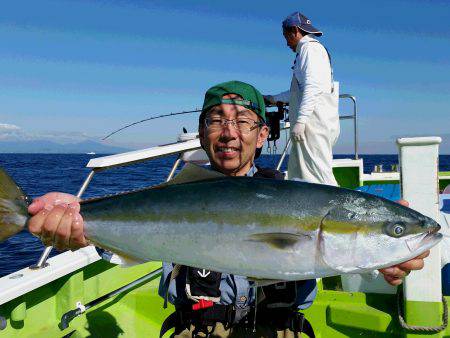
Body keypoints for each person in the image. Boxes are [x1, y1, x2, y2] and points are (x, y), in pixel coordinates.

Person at [28, 81, 429, 337]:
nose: (230, 131)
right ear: (202, 135)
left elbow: (343, 252)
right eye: (216, 120)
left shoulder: (298, 197)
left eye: (244, 120)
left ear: (263, 134)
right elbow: (123, 240)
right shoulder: (177, 192)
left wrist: (385, 260)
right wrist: (76, 224)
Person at [264, 12, 340, 186]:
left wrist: (301, 121)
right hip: (312, 123)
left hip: (313, 124)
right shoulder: (307, 51)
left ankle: (338, 210)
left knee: (320, 175)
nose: (286, 43)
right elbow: (298, 91)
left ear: (294, 31)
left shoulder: (309, 49)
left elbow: (312, 87)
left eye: (286, 37)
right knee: (302, 174)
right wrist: (273, 99)